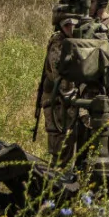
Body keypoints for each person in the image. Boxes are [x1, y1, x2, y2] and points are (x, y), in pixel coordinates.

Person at [41, 16, 78, 166]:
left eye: (74, 25)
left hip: (70, 99)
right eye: (67, 25)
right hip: (57, 101)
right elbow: (62, 82)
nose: (71, 29)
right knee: (59, 149)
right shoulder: (58, 44)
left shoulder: (77, 39)